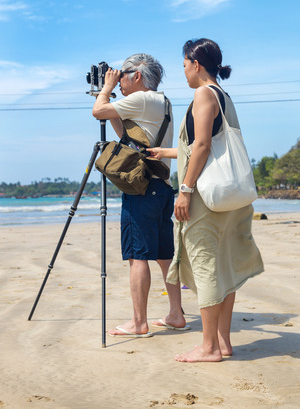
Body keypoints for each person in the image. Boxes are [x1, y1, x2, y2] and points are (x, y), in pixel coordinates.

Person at [147, 39, 264, 361]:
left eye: (184, 66)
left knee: (206, 267)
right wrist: (164, 152)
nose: (184, 73)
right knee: (224, 267)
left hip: (206, 199)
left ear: (195, 64)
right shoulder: (224, 97)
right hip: (231, 198)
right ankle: (223, 343)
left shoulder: (202, 94)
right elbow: (202, 146)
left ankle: (209, 346)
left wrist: (184, 191)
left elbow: (201, 147)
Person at [92, 53, 189, 338]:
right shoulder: (161, 102)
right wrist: (110, 100)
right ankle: (175, 314)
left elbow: (98, 112)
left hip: (142, 190)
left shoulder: (142, 99)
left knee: (137, 255)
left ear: (137, 76)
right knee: (163, 254)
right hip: (160, 188)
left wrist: (105, 90)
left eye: (122, 74)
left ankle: (139, 322)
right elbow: (128, 137)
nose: (119, 78)